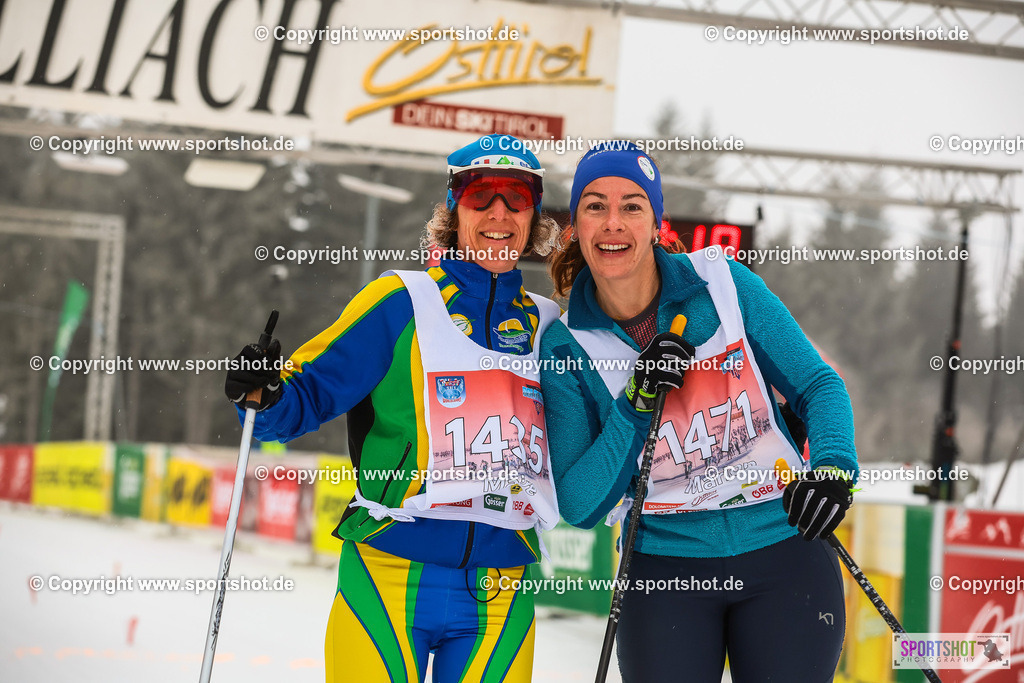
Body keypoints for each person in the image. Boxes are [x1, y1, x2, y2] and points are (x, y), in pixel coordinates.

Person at [224, 134, 562, 683]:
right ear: (454, 210)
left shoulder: (551, 328)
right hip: (389, 568)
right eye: (481, 197)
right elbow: (302, 399)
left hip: (501, 588)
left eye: (517, 198)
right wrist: (262, 391)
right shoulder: (403, 300)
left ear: (533, 215)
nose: (499, 214)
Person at [540, 142, 858, 682]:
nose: (612, 222)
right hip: (665, 573)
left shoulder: (727, 286)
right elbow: (579, 503)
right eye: (594, 206)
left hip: (783, 553)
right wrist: (636, 401)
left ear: (656, 221)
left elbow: (819, 385)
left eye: (632, 205)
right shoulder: (567, 344)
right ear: (575, 225)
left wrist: (832, 467)